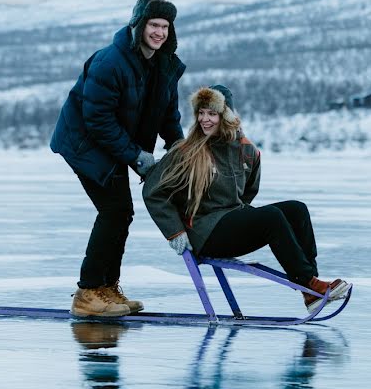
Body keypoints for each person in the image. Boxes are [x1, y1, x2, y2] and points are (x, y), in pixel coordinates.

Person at [142, 85, 350, 312]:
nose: (205, 119)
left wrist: (244, 217)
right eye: (201, 113)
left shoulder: (246, 151)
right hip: (204, 232)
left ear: (226, 115)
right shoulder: (187, 151)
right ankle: (309, 284)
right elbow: (153, 192)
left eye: (212, 113)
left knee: (296, 210)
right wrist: (175, 232)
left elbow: (249, 191)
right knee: (271, 217)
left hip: (231, 221)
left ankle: (311, 288)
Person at [50, 0, 186, 317]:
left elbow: (168, 113)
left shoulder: (163, 65)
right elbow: (97, 120)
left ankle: (107, 289)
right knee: (114, 210)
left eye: (165, 26)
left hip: (113, 144)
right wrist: (136, 155)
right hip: (84, 144)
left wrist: (179, 146)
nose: (159, 32)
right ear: (138, 26)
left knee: (121, 213)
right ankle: (87, 294)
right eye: (153, 24)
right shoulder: (110, 61)